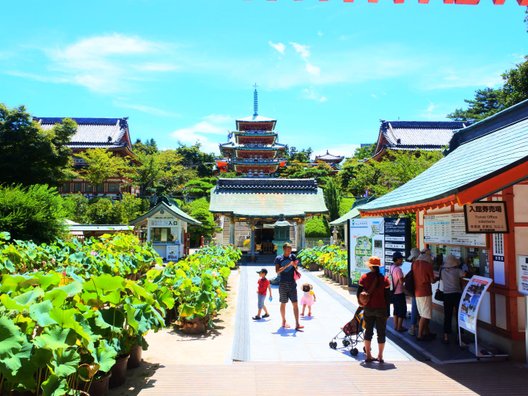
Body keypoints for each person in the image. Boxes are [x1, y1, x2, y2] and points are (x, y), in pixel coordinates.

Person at [357, 256, 390, 363]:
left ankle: (368, 356)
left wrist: (362, 303)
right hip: (381, 309)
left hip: (368, 309)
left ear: (370, 266)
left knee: (368, 331)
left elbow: (359, 293)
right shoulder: (384, 279)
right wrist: (388, 312)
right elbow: (388, 297)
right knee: (381, 333)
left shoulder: (364, 277)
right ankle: (380, 356)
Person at [275, 243, 304, 331]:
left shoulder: (293, 257)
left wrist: (294, 265)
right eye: (287, 250)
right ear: (283, 249)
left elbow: (296, 268)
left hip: (292, 283)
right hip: (283, 283)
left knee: (295, 303)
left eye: (290, 250)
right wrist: (287, 265)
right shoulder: (279, 258)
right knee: (283, 303)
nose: (289, 251)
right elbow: (277, 271)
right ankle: (283, 321)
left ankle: (297, 323)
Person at [440, 255, 466, 344]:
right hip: (457, 295)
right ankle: (459, 336)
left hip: (446, 295)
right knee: (459, 315)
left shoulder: (442, 271)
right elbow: (465, 274)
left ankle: (446, 336)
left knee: (447, 315)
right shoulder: (457, 271)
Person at [413, 249, 436, 341]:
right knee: (425, 315)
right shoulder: (427, 265)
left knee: (422, 313)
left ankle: (427, 332)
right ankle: (420, 335)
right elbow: (432, 280)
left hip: (417, 291)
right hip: (425, 291)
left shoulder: (415, 263)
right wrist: (437, 279)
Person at [389, 251, 407, 332]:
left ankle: (396, 326)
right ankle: (399, 327)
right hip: (399, 292)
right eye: (401, 259)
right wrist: (406, 277)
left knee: (396, 309)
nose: (402, 261)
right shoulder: (398, 269)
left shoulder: (391, 267)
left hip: (393, 292)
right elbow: (401, 281)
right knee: (402, 310)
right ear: (397, 259)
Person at [407, 247, 420, 336]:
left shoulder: (411, 265)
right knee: (416, 308)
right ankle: (414, 326)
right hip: (418, 289)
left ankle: (414, 326)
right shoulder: (419, 264)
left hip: (412, 288)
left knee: (415, 307)